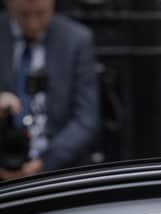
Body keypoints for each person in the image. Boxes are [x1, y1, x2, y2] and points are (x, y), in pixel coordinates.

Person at [0, 0, 99, 180]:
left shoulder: (77, 39)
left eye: (41, 14)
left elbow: (86, 119)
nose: (33, 24)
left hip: (58, 173)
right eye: (23, 15)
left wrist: (44, 163)